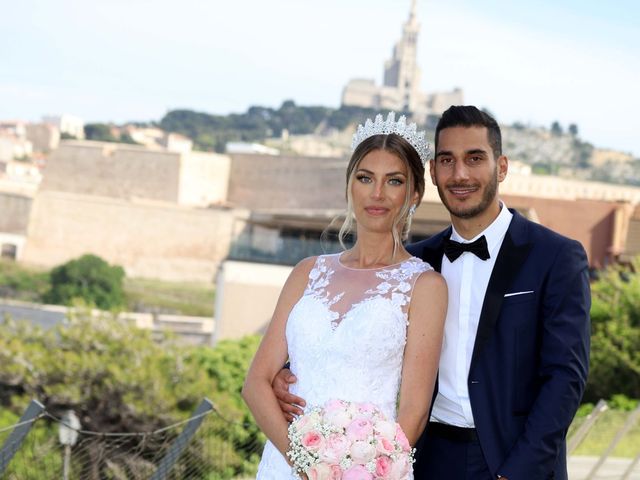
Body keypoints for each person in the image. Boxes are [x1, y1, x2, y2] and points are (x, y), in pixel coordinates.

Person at [274, 106, 591, 480]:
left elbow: (565, 377)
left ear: (501, 167)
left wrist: (519, 471)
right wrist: (284, 374)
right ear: (434, 174)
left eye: (474, 158)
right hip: (424, 457)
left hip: (513, 458)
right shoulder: (414, 265)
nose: (460, 174)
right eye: (447, 160)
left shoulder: (555, 256)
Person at [242, 112, 448, 479]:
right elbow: (256, 382)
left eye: (394, 181)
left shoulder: (425, 286)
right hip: (285, 464)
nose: (377, 193)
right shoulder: (306, 272)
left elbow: (414, 410)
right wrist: (307, 465)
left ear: (414, 193)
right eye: (365, 177)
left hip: (369, 472)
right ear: (350, 184)